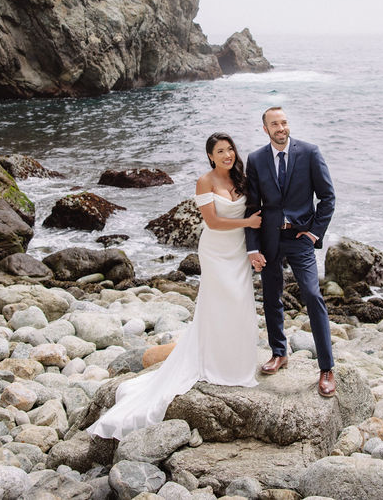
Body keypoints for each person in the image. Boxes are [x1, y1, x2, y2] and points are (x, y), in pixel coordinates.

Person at [87, 132, 262, 439]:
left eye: (230, 149)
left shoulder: (243, 179)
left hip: (238, 251)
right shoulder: (204, 182)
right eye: (220, 151)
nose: (227, 154)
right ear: (210, 156)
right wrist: (248, 224)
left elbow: (258, 209)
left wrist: (258, 243)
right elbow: (213, 222)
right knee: (217, 305)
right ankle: (214, 363)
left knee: (240, 303)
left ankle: (238, 362)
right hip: (217, 250)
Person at [245, 106, 337, 397]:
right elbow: (252, 207)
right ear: (265, 129)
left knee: (312, 294)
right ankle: (279, 352)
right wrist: (253, 247)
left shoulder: (309, 153)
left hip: (300, 239)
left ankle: (326, 368)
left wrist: (313, 233)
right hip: (270, 238)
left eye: (284, 122)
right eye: (274, 124)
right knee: (272, 297)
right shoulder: (256, 159)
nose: (281, 128)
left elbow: (327, 197)